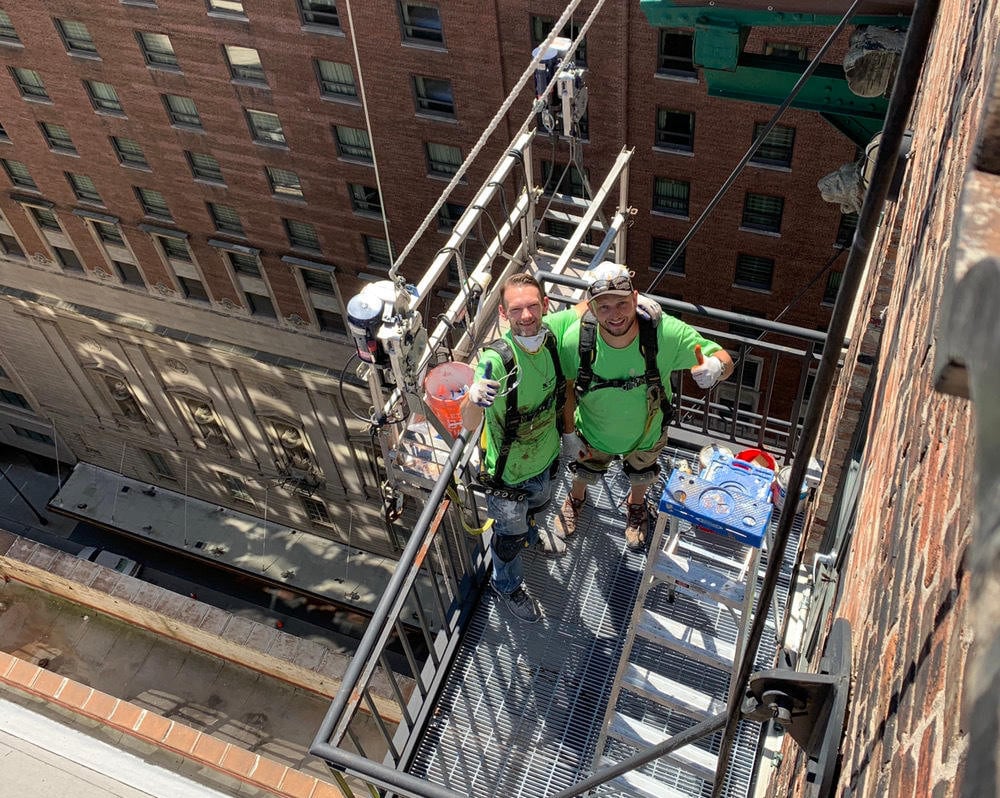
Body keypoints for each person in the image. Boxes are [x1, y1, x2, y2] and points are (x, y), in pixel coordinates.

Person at [549, 261, 734, 550]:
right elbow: (569, 386)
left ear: (635, 298)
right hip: (594, 430)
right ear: (591, 307)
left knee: (642, 472)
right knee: (584, 470)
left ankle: (636, 506)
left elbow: (723, 358)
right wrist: (569, 433)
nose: (615, 315)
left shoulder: (664, 335)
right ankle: (576, 498)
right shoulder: (577, 341)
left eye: (622, 304)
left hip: (647, 432)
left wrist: (715, 368)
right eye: (604, 306)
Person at [460, 273, 569, 623]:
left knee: (539, 507)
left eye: (533, 307)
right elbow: (468, 421)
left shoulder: (551, 341)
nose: (526, 316)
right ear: (505, 315)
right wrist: (473, 398)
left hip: (547, 457)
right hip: (509, 476)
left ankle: (533, 534)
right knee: (508, 538)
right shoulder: (497, 361)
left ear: (545, 307)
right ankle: (506, 585)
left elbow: (585, 311)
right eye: (517, 309)